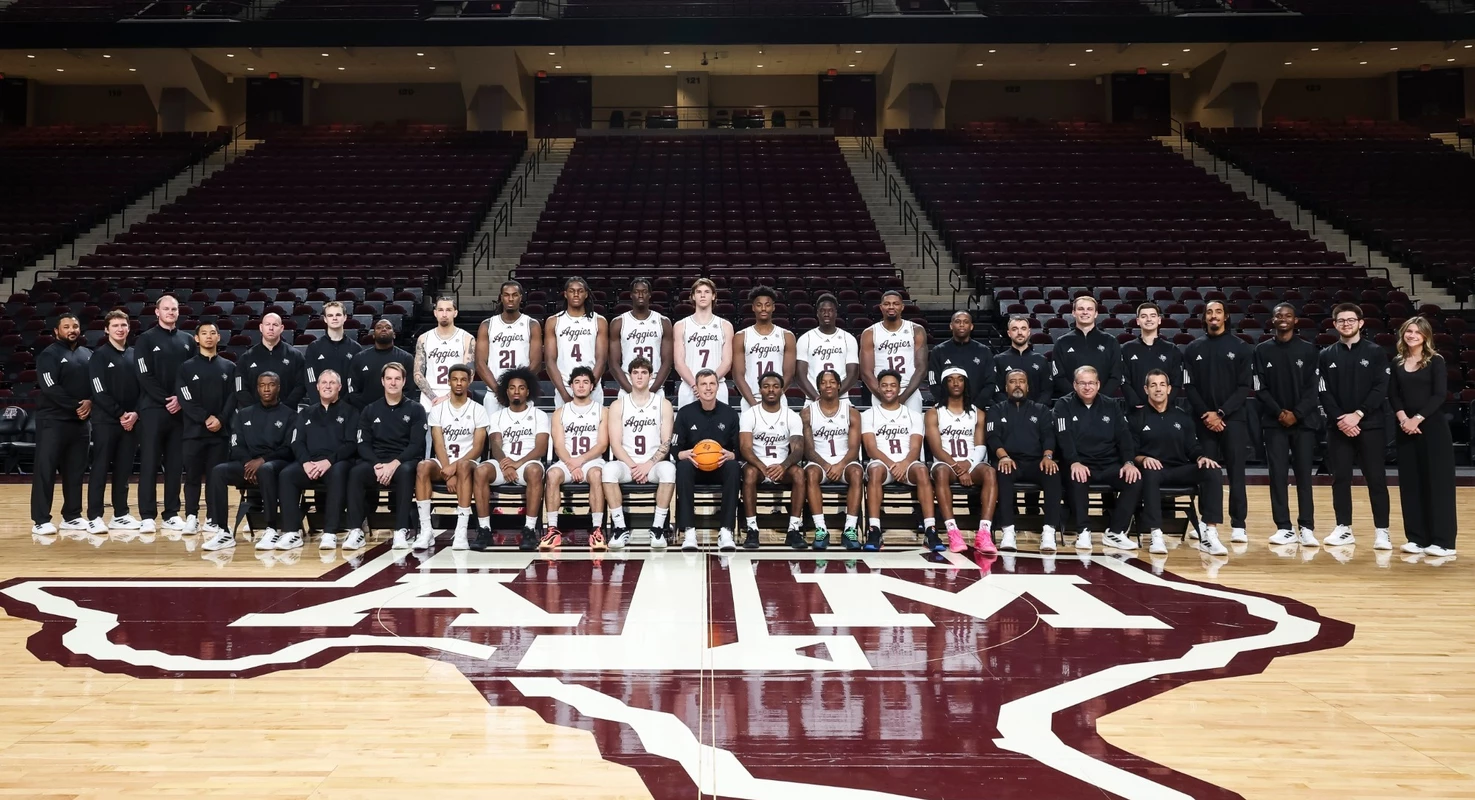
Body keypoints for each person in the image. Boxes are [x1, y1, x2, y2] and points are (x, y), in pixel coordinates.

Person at [1318, 303, 1392, 550]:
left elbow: (1381, 387)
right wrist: (1341, 418)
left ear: (1361, 323)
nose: (1346, 324)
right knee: (1340, 479)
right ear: (1335, 324)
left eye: (1351, 320)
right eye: (1341, 320)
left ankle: (1382, 531)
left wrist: (1358, 414)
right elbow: (1323, 391)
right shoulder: (1325, 355)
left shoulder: (1376, 352)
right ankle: (1343, 528)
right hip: (1338, 427)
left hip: (1370, 425)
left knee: (1376, 479)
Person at [1132, 369, 1227, 556]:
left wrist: (1201, 457)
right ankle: (1156, 534)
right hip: (1154, 471)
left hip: (1179, 469)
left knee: (1212, 470)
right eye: (1153, 385)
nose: (1158, 389)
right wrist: (1143, 459)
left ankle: (1209, 534)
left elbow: (1192, 447)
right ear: (1146, 389)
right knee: (1149, 474)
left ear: (1169, 389)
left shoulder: (1182, 416)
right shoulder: (1136, 417)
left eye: (1162, 385)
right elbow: (1130, 452)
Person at [1183, 300, 1252, 544]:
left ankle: (1239, 524)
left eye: (1218, 312)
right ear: (1204, 317)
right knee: (1206, 471)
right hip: (1203, 420)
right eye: (1209, 312)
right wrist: (1207, 414)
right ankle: (1206, 522)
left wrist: (1221, 413)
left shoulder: (1241, 347)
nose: (1214, 316)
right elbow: (1189, 386)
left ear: (1226, 316)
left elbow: (1244, 386)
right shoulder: (1192, 348)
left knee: (1236, 473)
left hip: (1233, 419)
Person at [203, 373, 295, 552]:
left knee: (265, 469)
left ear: (278, 388)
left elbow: (289, 449)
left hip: (276, 463)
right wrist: (248, 464)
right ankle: (223, 531)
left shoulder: (290, 415)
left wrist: (262, 460)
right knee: (218, 471)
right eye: (262, 385)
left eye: (271, 385)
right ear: (257, 388)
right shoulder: (244, 414)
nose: (266, 389)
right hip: (248, 464)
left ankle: (271, 528)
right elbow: (236, 445)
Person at [1054, 366, 1141, 551]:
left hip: (1109, 463)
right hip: (1079, 463)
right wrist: (1074, 462)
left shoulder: (1112, 405)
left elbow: (1124, 436)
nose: (1087, 387)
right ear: (1075, 385)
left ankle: (1115, 532)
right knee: (1076, 477)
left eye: (1091, 383)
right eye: (1082, 383)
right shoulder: (1063, 404)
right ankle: (1083, 531)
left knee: (1134, 479)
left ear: (1098, 384)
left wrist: (1129, 462)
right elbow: (1063, 436)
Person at [1255, 303, 1321, 547]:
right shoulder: (1261, 350)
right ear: (1272, 320)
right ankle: (1284, 527)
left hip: (1303, 423)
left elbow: (1313, 389)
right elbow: (1259, 386)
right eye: (1279, 315)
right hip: (1274, 424)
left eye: (1288, 315)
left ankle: (1307, 527)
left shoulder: (1309, 350)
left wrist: (1297, 414)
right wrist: (1279, 412)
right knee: (1278, 476)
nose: (1283, 319)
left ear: (1296, 320)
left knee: (1304, 476)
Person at [1390, 316, 1457, 557]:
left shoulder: (1435, 360)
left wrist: (1416, 419)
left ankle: (1443, 542)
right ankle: (1416, 538)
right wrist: (1403, 419)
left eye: (1418, 332)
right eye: (1409, 331)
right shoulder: (1397, 361)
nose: (1412, 335)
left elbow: (1439, 395)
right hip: (1405, 429)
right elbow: (1393, 395)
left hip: (1432, 428)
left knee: (1438, 484)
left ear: (1426, 336)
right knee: (1411, 484)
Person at [346, 362, 427, 552]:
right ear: (382, 381)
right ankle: (356, 530)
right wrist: (377, 465)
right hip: (376, 461)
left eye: (397, 379)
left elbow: (416, 445)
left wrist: (394, 464)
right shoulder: (370, 410)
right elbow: (362, 443)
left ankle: (401, 530)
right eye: (389, 378)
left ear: (404, 381)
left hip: (403, 460)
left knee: (406, 472)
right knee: (356, 473)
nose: (393, 382)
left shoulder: (416, 409)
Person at [276, 370, 358, 551]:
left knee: (338, 472)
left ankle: (330, 532)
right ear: (317, 387)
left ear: (340, 387)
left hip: (336, 463)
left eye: (332, 383)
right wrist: (305, 462)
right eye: (324, 383)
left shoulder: (350, 412)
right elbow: (296, 442)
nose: (328, 386)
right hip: (310, 463)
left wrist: (328, 461)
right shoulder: (306, 412)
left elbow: (351, 444)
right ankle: (291, 531)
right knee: (287, 475)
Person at [135, 295, 196, 534]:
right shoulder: (145, 339)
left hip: (180, 411)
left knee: (175, 464)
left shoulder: (188, 340)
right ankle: (147, 515)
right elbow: (143, 375)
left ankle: (171, 513)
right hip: (152, 409)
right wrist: (166, 399)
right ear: (157, 312)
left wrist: (181, 399)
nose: (171, 312)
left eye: (174, 309)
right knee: (149, 463)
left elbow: (193, 375)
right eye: (166, 309)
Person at [601, 357, 675, 550]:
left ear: (651, 377)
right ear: (630, 376)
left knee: (669, 470)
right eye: (635, 372)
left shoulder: (663, 404)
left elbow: (666, 442)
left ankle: (657, 528)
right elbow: (615, 444)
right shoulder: (618, 405)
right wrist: (634, 467)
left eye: (644, 372)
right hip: (628, 465)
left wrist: (648, 465)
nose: (639, 376)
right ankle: (620, 528)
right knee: (608, 470)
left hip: (653, 465)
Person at [414, 363, 489, 551]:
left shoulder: (478, 409)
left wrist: (454, 469)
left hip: (469, 464)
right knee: (422, 466)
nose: (459, 383)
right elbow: (438, 444)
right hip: (444, 462)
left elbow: (478, 448)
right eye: (455, 379)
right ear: (448, 382)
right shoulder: (438, 409)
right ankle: (426, 531)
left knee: (463, 466)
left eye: (463, 379)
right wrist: (448, 472)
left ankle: (461, 531)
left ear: (469, 381)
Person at [472, 367, 548, 552]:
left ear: (527, 391)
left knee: (535, 471)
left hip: (527, 463)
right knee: (481, 470)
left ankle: (529, 529)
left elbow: (541, 448)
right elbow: (495, 444)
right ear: (506, 391)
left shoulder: (539, 415)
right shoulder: (497, 416)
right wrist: (506, 464)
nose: (516, 391)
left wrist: (517, 463)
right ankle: (484, 529)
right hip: (503, 463)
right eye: (512, 387)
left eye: (521, 388)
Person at [987, 368, 1062, 552]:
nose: (1017, 385)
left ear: (1028, 386)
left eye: (1021, 381)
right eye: (1013, 382)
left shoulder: (1041, 409)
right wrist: (1003, 456)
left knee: (1053, 473)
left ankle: (1049, 531)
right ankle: (1008, 531)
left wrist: (1048, 456)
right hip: (1009, 461)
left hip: (1037, 461)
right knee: (1002, 473)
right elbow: (992, 437)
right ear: (1006, 387)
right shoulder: (996, 409)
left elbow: (1049, 436)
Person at [30, 313, 92, 535]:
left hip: (81, 423)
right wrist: (77, 405)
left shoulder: (88, 354)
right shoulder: (49, 354)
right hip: (53, 421)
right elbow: (50, 387)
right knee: (45, 471)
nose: (72, 330)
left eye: (75, 326)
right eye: (66, 326)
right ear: (57, 331)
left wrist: (90, 402)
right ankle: (40, 520)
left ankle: (72, 516)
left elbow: (97, 383)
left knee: (75, 471)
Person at [926, 367, 997, 554]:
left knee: (990, 472)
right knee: (941, 472)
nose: (956, 383)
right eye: (950, 380)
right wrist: (957, 467)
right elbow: (936, 449)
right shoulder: (934, 413)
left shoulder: (977, 413)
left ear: (966, 383)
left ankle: (984, 533)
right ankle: (953, 531)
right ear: (944, 384)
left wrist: (968, 465)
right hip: (946, 464)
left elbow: (980, 446)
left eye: (960, 379)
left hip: (971, 463)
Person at [861, 369, 933, 552]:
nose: (888, 389)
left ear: (899, 388)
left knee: (922, 471)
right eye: (884, 385)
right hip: (882, 464)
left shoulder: (914, 415)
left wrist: (904, 464)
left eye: (893, 385)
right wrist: (892, 465)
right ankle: (874, 530)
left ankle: (930, 530)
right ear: (878, 388)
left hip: (907, 463)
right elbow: (871, 449)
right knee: (875, 470)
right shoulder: (868, 415)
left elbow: (915, 448)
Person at [176, 321, 236, 535]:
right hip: (193, 432)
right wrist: (205, 418)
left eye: (212, 333)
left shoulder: (229, 367)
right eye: (204, 333)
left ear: (219, 337)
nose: (209, 336)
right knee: (192, 476)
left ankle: (213, 518)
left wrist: (220, 419)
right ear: (196, 338)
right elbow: (185, 398)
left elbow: (233, 397)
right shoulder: (186, 367)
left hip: (220, 433)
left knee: (215, 477)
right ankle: (191, 516)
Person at [87, 309, 143, 534]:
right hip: (106, 421)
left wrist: (135, 413)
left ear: (129, 328)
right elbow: (98, 391)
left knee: (123, 469)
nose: (120, 329)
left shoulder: (135, 355)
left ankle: (120, 514)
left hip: (131, 422)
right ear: (106, 329)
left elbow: (144, 387)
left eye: (123, 325)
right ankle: (94, 516)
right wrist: (120, 414)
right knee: (100, 468)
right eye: (115, 326)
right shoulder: (99, 356)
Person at [673, 369, 741, 551]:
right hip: (695, 468)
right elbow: (674, 446)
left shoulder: (730, 414)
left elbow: (739, 448)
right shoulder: (685, 413)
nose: (708, 388)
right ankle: (689, 531)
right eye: (703, 384)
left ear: (718, 387)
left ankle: (726, 531)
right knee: (683, 467)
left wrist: (733, 455)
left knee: (734, 467)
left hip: (720, 467)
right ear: (696, 387)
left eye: (712, 384)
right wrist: (681, 454)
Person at [542, 365, 608, 551]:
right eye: (577, 382)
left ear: (592, 386)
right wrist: (572, 465)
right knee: (552, 474)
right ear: (571, 386)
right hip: (567, 461)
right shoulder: (560, 412)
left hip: (592, 461)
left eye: (585, 382)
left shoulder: (602, 411)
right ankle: (553, 529)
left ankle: (596, 530)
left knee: (597, 475)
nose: (581, 386)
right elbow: (558, 445)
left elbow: (602, 445)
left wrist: (579, 462)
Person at [739, 372, 807, 549]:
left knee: (799, 473)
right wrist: (762, 466)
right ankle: (752, 529)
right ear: (760, 390)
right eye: (766, 386)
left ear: (782, 390)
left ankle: (793, 529)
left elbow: (798, 450)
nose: (771, 390)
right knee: (749, 473)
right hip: (757, 466)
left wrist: (783, 466)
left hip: (782, 467)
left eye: (776, 386)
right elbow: (745, 448)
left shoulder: (792, 416)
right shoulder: (749, 415)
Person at [801, 369, 864, 551]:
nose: (828, 385)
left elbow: (854, 449)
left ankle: (850, 529)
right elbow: (808, 450)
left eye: (832, 382)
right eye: (823, 382)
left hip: (844, 461)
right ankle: (821, 529)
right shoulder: (807, 413)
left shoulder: (852, 413)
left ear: (839, 385)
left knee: (857, 472)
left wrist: (840, 465)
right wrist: (827, 465)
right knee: (810, 473)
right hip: (819, 463)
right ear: (818, 387)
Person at [475, 280, 542, 417]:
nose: (510, 299)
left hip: (521, 394)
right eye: (506, 295)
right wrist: (499, 391)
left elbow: (536, 363)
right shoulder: (487, 325)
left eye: (514, 295)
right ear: (501, 297)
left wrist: (518, 388)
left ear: (521, 297)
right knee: (493, 431)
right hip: (494, 394)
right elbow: (480, 363)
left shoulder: (531, 324)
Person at [543, 277, 607, 409]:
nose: (576, 294)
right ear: (565, 294)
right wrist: (564, 394)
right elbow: (550, 361)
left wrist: (589, 387)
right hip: (564, 386)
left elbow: (601, 360)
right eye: (572, 291)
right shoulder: (553, 321)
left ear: (586, 294)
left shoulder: (599, 321)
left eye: (580, 291)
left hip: (592, 387)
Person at [860, 291, 928, 415]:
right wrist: (883, 397)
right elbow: (866, 372)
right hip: (882, 391)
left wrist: (903, 397)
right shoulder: (870, 333)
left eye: (896, 304)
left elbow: (921, 368)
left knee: (913, 426)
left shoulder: (916, 330)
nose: (891, 307)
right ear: (881, 307)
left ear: (902, 307)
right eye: (887, 304)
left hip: (909, 390)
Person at [733, 286, 796, 411]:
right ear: (753, 307)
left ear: (773, 307)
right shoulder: (741, 336)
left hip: (778, 399)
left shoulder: (787, 336)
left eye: (767, 305)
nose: (763, 308)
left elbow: (789, 374)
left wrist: (775, 397)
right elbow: (737, 375)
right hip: (750, 399)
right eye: (759, 305)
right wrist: (753, 403)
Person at [673, 278, 733, 408]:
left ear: (713, 296)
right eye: (699, 292)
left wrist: (710, 383)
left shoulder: (725, 325)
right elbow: (679, 362)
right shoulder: (681, 325)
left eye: (707, 292)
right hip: (689, 387)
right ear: (693, 296)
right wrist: (695, 385)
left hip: (717, 386)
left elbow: (727, 362)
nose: (703, 295)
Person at [608, 277, 672, 396]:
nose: (640, 295)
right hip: (628, 384)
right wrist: (631, 390)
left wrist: (652, 390)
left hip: (654, 383)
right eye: (636, 292)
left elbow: (667, 362)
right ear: (631, 295)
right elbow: (613, 363)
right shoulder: (618, 322)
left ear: (650, 294)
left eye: (644, 292)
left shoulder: (663, 322)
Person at [1050, 295, 1122, 399]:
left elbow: (1116, 375)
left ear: (1096, 313)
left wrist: (1099, 398)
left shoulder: (1110, 341)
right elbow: (1058, 376)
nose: (1085, 312)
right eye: (1080, 309)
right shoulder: (1062, 342)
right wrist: (1076, 398)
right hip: (1071, 402)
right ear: (1073, 313)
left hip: (1103, 402)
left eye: (1089, 309)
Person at [414, 296, 476, 414]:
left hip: (457, 395)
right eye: (440, 310)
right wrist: (434, 398)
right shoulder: (424, 338)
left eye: (448, 310)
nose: (444, 314)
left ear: (455, 313)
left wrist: (448, 396)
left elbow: (469, 374)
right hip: (429, 398)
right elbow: (418, 373)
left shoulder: (467, 338)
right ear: (435, 313)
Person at [234, 312, 307, 409]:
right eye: (267, 324)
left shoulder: (295, 356)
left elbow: (301, 385)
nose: (271, 328)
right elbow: (240, 388)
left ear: (281, 328)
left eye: (275, 325)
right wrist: (254, 410)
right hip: (254, 414)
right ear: (261, 327)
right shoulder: (246, 357)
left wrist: (285, 408)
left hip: (287, 413)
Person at [795, 294, 859, 402]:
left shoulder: (848, 338)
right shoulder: (805, 338)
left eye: (830, 310)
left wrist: (833, 395)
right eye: (822, 311)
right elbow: (800, 375)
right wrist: (817, 398)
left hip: (841, 399)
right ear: (817, 313)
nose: (826, 314)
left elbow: (853, 375)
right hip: (812, 399)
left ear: (836, 313)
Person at [1121, 303, 1184, 411]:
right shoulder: (1126, 349)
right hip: (1136, 411)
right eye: (1144, 316)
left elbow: (1176, 381)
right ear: (1138, 321)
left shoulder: (1172, 349)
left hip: (1165, 410)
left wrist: (1164, 404)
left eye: (1153, 316)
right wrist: (1136, 403)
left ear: (1159, 320)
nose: (1149, 319)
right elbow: (1124, 380)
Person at [928, 311, 996, 409]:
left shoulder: (984, 351)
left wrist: (976, 407)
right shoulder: (938, 351)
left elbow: (990, 383)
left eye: (966, 322)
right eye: (957, 321)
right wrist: (948, 405)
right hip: (946, 409)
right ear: (951, 326)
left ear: (971, 326)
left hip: (977, 409)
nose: (961, 325)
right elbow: (933, 382)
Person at [347, 319, 416, 409]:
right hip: (366, 412)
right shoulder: (359, 358)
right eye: (379, 327)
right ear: (373, 335)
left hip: (397, 412)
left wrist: (395, 408)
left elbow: (410, 390)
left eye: (388, 327)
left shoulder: (406, 358)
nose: (383, 329)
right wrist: (367, 410)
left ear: (394, 334)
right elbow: (353, 389)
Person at [304, 301, 362, 405]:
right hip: (320, 406)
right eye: (330, 315)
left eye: (338, 315)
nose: (334, 318)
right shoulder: (314, 347)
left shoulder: (355, 348)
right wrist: (319, 404)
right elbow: (310, 380)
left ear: (345, 317)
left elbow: (355, 380)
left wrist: (344, 405)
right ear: (325, 319)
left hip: (347, 407)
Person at [995, 315, 1052, 405]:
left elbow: (1047, 391)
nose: (1019, 332)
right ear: (1009, 333)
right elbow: (996, 391)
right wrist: (1010, 408)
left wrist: (1035, 409)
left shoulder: (1041, 360)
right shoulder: (999, 360)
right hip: (1007, 411)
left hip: (1036, 411)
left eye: (1023, 328)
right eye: (1015, 329)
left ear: (1029, 332)